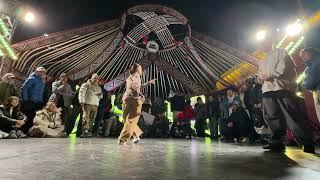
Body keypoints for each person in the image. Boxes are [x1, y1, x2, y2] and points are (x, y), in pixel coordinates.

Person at [259, 46, 315, 153]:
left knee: (292, 115)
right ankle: (277, 142)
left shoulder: (281, 52)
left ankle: (307, 142)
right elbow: (261, 75)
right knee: (272, 117)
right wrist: (260, 78)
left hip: (282, 87)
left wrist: (269, 75)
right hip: (267, 90)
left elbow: (283, 68)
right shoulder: (262, 59)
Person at [118, 63, 155, 145]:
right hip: (134, 100)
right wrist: (139, 97)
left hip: (126, 100)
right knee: (131, 120)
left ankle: (136, 135)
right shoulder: (136, 76)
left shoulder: (130, 77)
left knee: (126, 120)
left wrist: (148, 83)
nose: (141, 70)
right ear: (137, 68)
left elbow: (137, 87)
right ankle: (122, 139)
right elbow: (134, 87)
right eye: (141, 68)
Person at [21, 67, 46, 133]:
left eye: (43, 72)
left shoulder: (41, 81)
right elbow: (24, 89)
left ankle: (30, 132)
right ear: (36, 71)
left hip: (38, 102)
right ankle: (22, 131)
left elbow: (41, 92)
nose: (42, 73)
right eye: (40, 71)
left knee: (35, 118)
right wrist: (26, 100)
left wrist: (41, 101)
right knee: (28, 117)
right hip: (30, 101)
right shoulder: (32, 79)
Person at [78, 73, 103, 138]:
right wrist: (81, 101)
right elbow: (81, 93)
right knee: (86, 117)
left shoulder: (99, 87)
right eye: (94, 78)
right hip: (87, 103)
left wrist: (100, 95)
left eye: (97, 78)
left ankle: (88, 130)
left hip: (95, 105)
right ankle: (85, 131)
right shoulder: (86, 85)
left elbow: (101, 97)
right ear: (91, 78)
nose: (95, 80)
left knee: (92, 118)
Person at [300, 48, 320, 123]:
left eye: (304, 54)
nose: (303, 58)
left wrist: (303, 85)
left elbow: (310, 82)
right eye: (301, 56)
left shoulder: (315, 64)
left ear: (311, 52)